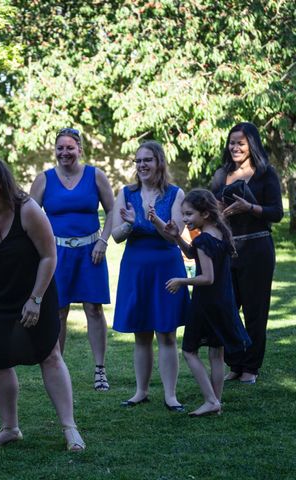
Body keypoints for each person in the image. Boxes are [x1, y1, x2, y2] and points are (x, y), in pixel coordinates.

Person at [0, 154, 85, 451]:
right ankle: (10, 427)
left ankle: (70, 428)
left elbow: (49, 256)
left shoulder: (27, 209)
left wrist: (35, 300)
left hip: (35, 288)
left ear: (0, 181)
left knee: (49, 354)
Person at [30, 127, 114, 391]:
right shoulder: (43, 179)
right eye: (60, 148)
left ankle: (100, 370)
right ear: (54, 151)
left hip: (91, 252)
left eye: (69, 148)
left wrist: (103, 241)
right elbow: (29, 216)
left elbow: (112, 210)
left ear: (79, 149)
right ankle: (58, 367)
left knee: (93, 309)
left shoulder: (95, 176)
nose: (64, 153)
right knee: (58, 311)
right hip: (57, 253)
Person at [158, 189, 251, 416]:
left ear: (205, 214)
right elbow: (193, 255)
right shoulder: (220, 233)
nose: (185, 219)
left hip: (206, 304)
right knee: (216, 354)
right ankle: (215, 403)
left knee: (189, 351)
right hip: (223, 301)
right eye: (183, 214)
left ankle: (210, 400)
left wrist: (181, 280)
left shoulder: (203, 240)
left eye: (189, 214)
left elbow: (207, 278)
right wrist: (177, 237)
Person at [111, 141, 189, 412]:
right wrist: (131, 224)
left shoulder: (175, 194)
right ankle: (140, 391)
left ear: (159, 163)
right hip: (136, 268)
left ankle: (170, 395)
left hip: (166, 267)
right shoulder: (126, 193)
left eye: (148, 160)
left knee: (166, 332)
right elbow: (116, 236)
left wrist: (153, 219)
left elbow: (174, 235)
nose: (142, 165)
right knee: (141, 332)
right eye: (138, 161)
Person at [210, 122, 283, 385]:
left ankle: (250, 368)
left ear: (252, 144)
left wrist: (249, 207)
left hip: (257, 248)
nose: (235, 147)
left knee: (255, 311)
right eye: (231, 142)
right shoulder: (221, 174)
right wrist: (216, 210)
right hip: (228, 250)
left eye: (240, 142)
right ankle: (236, 364)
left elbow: (276, 213)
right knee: (227, 309)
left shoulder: (266, 174)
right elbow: (209, 208)